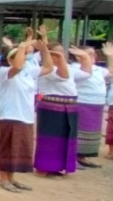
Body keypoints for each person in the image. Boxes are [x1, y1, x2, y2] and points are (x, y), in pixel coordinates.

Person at [0, 37, 41, 191]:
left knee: (18, 148)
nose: (26, 58)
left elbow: (48, 66)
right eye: (21, 55)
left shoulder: (27, 73)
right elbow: (18, 66)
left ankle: (11, 178)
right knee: (7, 147)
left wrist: (44, 48)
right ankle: (3, 179)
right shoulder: (3, 72)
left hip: (25, 115)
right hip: (10, 114)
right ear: (10, 59)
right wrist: (22, 47)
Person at [34, 41, 81, 176]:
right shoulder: (47, 70)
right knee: (50, 138)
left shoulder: (67, 67)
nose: (62, 54)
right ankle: (43, 168)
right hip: (51, 107)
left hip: (69, 106)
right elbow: (63, 76)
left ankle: (57, 167)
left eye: (62, 52)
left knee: (64, 139)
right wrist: (49, 53)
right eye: (58, 52)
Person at [71, 45, 109, 169]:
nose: (93, 56)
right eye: (89, 54)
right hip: (82, 103)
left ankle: (83, 157)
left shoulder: (98, 69)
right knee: (79, 132)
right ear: (78, 56)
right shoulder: (75, 68)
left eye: (93, 54)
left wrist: (110, 56)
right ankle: (73, 157)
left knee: (91, 133)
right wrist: (84, 58)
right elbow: (85, 74)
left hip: (96, 104)